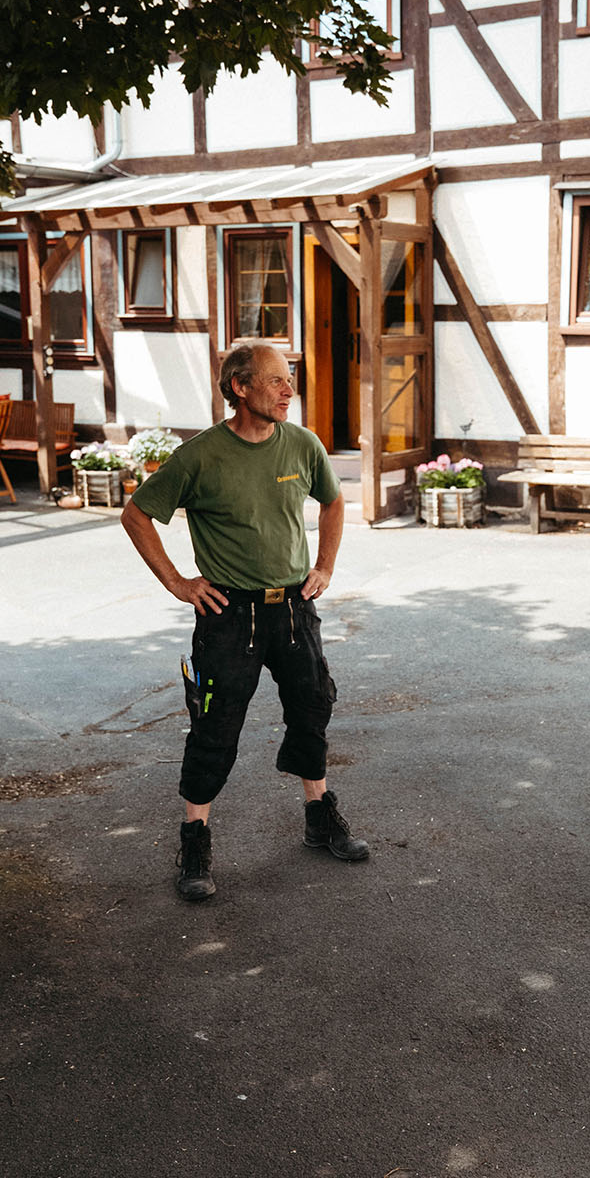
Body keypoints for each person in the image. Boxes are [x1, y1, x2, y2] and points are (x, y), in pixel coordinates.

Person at [121, 340, 368, 902]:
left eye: (290, 380)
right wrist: (179, 583)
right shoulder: (200, 456)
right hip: (229, 616)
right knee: (215, 726)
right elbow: (136, 514)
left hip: (293, 610)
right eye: (277, 380)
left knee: (312, 709)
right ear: (240, 387)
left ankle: (319, 817)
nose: (289, 391)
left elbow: (332, 502)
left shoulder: (302, 445)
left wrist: (325, 564)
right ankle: (195, 840)